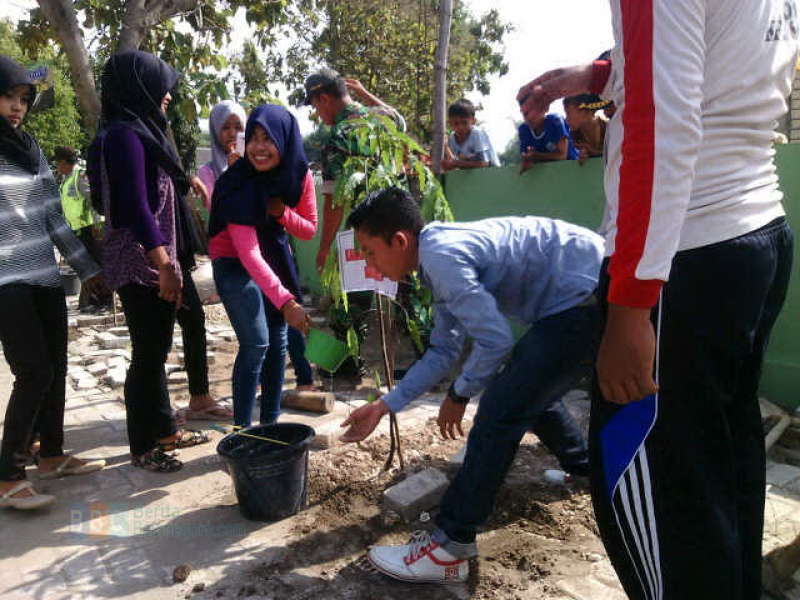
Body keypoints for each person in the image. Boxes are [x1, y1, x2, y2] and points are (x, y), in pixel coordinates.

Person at [517, 1, 798, 598]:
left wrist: (631, 305)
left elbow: (659, 122)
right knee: (720, 482)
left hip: (682, 261)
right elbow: (719, 64)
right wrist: (595, 77)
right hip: (755, 235)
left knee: (660, 511)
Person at [339, 187, 604, 583]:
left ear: (399, 240)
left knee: (499, 410)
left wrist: (460, 394)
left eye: (371, 253)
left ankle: (451, 545)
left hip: (587, 297)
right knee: (526, 388)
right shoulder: (433, 258)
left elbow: (494, 339)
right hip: (578, 295)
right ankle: (585, 471)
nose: (372, 268)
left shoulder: (441, 258)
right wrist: (384, 406)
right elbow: (443, 350)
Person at [88, 51, 211, 473]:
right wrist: (164, 264)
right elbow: (135, 206)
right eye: (161, 87)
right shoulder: (122, 136)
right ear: (138, 87)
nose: (167, 96)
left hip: (150, 259)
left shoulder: (136, 133)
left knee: (157, 348)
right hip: (140, 262)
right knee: (147, 353)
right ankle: (142, 445)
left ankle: (164, 431)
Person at [0, 55, 106, 510]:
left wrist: (89, 269)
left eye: (23, 98)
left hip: (44, 275)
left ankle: (53, 455)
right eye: (7, 96)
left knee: (57, 366)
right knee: (33, 371)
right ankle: (7, 474)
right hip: (6, 280)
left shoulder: (31, 148)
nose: (16, 106)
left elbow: (53, 218)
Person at [208, 105, 315, 427]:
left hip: (274, 252)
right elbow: (248, 253)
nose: (258, 147)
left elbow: (308, 228)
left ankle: (270, 429)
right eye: (253, 137)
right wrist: (286, 301)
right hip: (232, 261)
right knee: (257, 342)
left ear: (284, 140)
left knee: (278, 343)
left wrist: (280, 212)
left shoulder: (299, 174)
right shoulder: (238, 182)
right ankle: (242, 432)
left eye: (268, 139)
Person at [304, 67, 405, 380]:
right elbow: (399, 119)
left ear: (323, 98)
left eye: (316, 106)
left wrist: (323, 249)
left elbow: (334, 201)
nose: (318, 114)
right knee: (407, 294)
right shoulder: (380, 119)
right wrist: (363, 92)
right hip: (401, 223)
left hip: (365, 230)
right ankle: (432, 362)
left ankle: (343, 364)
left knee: (349, 298)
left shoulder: (339, 137)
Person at [53, 146, 111, 312]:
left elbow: (93, 200)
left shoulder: (80, 175)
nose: (57, 167)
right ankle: (94, 302)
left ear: (64, 162)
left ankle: (106, 302)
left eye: (58, 164)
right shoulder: (66, 179)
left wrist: (98, 224)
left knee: (99, 265)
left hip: (92, 228)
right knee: (89, 267)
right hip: (79, 229)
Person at [194, 100, 246, 210]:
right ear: (215, 131)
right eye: (225, 127)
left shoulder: (257, 167)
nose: (232, 134)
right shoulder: (206, 174)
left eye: (238, 127)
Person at [442, 98, 500, 171]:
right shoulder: (452, 138)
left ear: (473, 121)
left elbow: (484, 164)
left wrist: (455, 164)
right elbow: (453, 161)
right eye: (456, 123)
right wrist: (446, 147)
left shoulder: (476, 134)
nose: (460, 127)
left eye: (464, 122)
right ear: (450, 123)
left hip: (492, 174)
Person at [518, 109, 578, 173]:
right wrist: (527, 159)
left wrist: (536, 156)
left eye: (533, 112)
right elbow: (524, 155)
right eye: (525, 114)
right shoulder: (523, 130)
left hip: (572, 168)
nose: (529, 118)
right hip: (549, 174)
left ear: (543, 110)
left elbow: (562, 155)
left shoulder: (556, 121)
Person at [562, 94, 609, 163]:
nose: (566, 119)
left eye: (568, 113)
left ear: (583, 112)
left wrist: (591, 151)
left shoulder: (608, 128)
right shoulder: (574, 136)